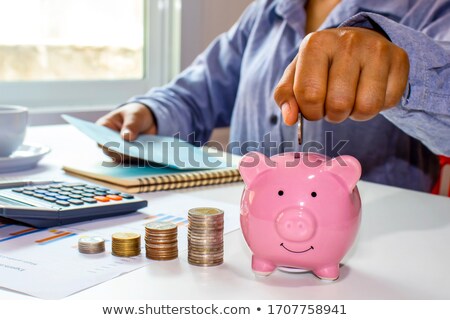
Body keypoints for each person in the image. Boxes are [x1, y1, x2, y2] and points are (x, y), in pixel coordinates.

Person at [97, 0, 450, 192]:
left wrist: (406, 71)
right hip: (246, 230)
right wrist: (149, 110)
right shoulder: (264, 13)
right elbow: (197, 91)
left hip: (368, 253)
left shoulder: (431, 9)